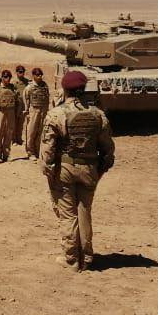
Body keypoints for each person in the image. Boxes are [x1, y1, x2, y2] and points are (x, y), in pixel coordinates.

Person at [39, 70, 115, 272]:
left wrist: (49, 171)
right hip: (89, 168)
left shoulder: (56, 114)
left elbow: (47, 149)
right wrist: (99, 170)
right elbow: (108, 149)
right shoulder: (98, 115)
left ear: (64, 89)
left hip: (64, 169)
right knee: (84, 211)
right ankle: (87, 258)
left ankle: (71, 259)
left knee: (68, 214)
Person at [0, 69, 23, 162]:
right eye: (5, 77)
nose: (7, 79)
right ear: (2, 77)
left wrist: (17, 112)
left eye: (8, 77)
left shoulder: (13, 88)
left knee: (9, 133)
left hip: (11, 113)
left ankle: (6, 154)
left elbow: (18, 100)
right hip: (1, 113)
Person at [22, 67, 51, 159]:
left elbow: (47, 98)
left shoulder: (44, 86)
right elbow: (26, 100)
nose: (40, 76)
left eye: (41, 75)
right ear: (33, 75)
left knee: (41, 132)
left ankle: (38, 151)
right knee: (31, 132)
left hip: (43, 111)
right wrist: (27, 112)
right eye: (38, 75)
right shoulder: (29, 88)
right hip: (34, 111)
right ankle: (31, 152)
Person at [13, 65, 30, 144]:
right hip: (16, 105)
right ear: (16, 72)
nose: (21, 74)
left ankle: (19, 138)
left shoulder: (27, 82)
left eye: (22, 72)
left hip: (23, 105)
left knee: (21, 123)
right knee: (14, 122)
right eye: (20, 72)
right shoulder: (13, 82)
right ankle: (14, 139)